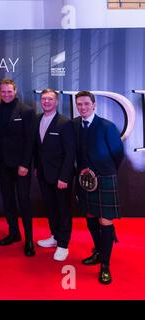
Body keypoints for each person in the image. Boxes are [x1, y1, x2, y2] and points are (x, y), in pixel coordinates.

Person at [73, 90, 124, 285]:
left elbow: (118, 154)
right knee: (91, 216)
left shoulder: (107, 126)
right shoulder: (75, 125)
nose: (83, 107)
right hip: (84, 179)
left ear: (94, 105)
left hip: (104, 178)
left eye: (86, 104)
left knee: (105, 221)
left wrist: (105, 173)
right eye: (79, 104)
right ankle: (98, 251)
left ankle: (105, 265)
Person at [0, 78, 36, 257]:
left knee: (24, 202)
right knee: (8, 200)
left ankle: (29, 240)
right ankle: (14, 233)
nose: (6, 94)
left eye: (9, 91)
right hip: (2, 164)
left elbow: (30, 140)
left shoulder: (26, 111)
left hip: (21, 166)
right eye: (3, 92)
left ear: (15, 90)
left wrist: (25, 164)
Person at [34, 88, 75, 261]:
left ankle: (63, 245)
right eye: (43, 99)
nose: (46, 102)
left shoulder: (65, 123)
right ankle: (55, 237)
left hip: (60, 177)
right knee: (50, 208)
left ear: (56, 102)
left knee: (63, 210)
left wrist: (64, 177)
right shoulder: (37, 119)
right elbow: (38, 148)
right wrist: (37, 167)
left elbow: (70, 153)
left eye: (50, 99)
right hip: (44, 174)